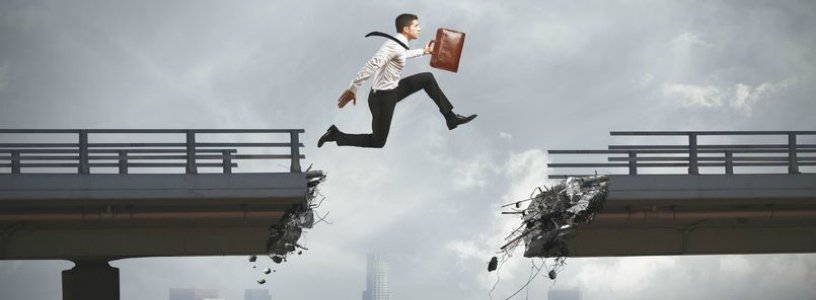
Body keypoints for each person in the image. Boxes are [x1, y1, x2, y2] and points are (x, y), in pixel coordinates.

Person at [317, 13, 477, 148]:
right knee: (378, 141)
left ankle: (450, 118)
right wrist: (353, 88)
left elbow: (401, 55)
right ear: (406, 29)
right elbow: (372, 63)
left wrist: (424, 51)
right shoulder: (392, 45)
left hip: (393, 90)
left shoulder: (399, 46)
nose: (419, 28)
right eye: (416, 26)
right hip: (381, 99)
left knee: (427, 78)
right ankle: (336, 135)